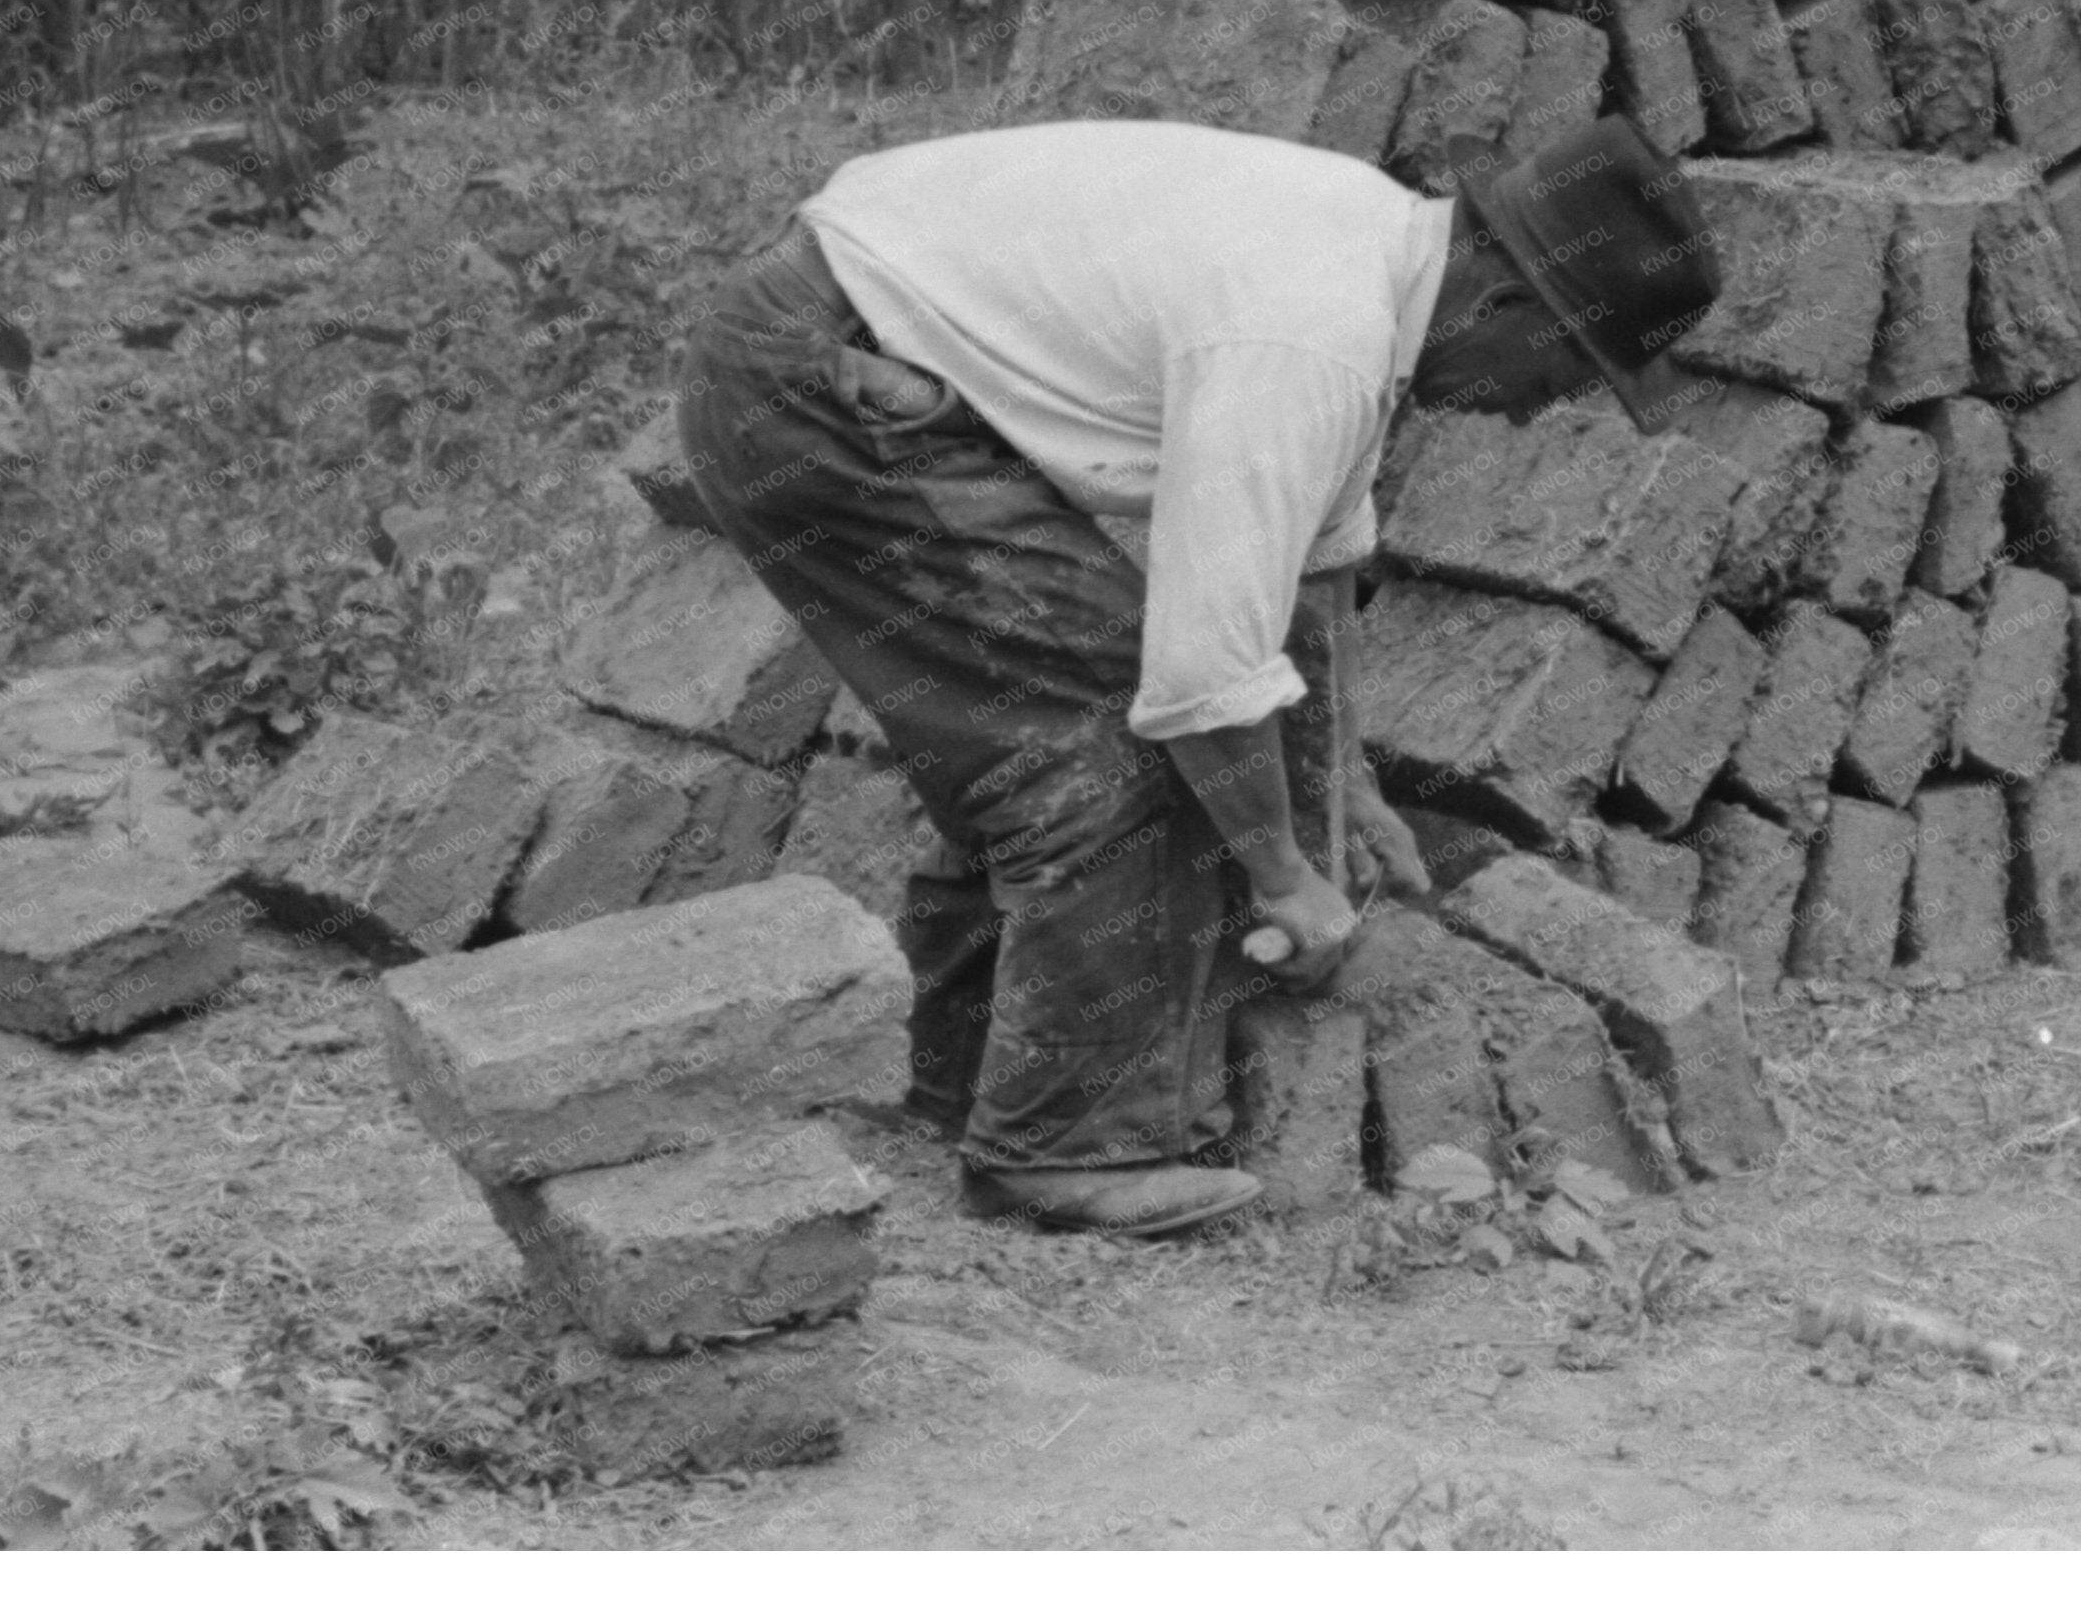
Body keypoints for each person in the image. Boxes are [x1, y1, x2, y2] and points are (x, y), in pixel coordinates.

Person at [675, 114, 1722, 1239]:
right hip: (819, 384)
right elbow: (1199, 672)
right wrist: (1281, 877)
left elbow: (1311, 586)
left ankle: (962, 1077)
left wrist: (1346, 783)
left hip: (848, 354)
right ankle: (1066, 1150)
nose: (1537, 408)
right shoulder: (1313, 338)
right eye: (1568, 368)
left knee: (1041, 724)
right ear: (1506, 297)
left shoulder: (1369, 266)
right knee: (1113, 737)